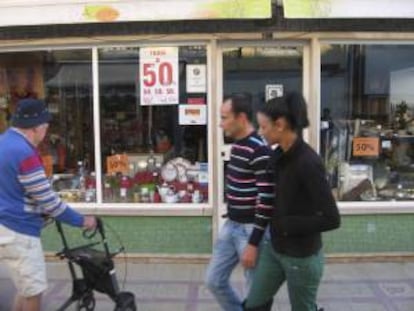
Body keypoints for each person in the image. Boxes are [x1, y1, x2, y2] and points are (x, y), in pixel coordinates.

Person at [243, 92, 341, 311]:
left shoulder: (308, 162)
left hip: (302, 257)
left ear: (280, 125)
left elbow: (332, 219)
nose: (260, 132)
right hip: (274, 249)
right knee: (253, 305)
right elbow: (268, 197)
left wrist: (287, 224)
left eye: (263, 127)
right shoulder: (278, 156)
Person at [0, 98, 97, 311]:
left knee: (24, 287)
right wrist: (83, 221)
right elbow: (49, 202)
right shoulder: (24, 153)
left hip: (5, 226)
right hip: (18, 232)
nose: (46, 132)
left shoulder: (4, 142)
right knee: (34, 291)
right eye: (45, 126)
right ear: (36, 128)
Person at [205, 93, 275, 311]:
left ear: (241, 118)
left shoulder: (259, 150)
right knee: (214, 281)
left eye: (225, 117)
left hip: (251, 231)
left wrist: (253, 243)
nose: (220, 123)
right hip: (231, 225)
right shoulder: (237, 146)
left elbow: (267, 199)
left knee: (256, 294)